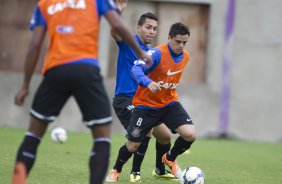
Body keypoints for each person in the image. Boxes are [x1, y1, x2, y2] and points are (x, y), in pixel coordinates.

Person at [11, 1, 151, 184]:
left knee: (33, 134)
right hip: (86, 70)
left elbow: (34, 45)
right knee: (102, 138)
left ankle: (18, 180)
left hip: (55, 71)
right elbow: (116, 25)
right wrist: (140, 52)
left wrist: (25, 85)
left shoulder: (45, 4)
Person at [107, 22, 196, 180]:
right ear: (169, 38)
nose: (181, 46)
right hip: (145, 106)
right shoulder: (157, 53)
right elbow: (135, 69)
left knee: (190, 134)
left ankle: (169, 159)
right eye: (178, 42)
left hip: (169, 103)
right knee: (133, 145)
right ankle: (116, 169)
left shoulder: (186, 56)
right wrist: (148, 82)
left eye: (184, 42)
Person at [106, 0, 175, 182]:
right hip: (125, 99)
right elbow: (114, 31)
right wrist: (117, 12)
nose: (152, 31)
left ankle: (159, 170)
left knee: (166, 136)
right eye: (148, 27)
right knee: (143, 132)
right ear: (138, 28)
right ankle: (120, 171)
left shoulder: (152, 54)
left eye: (154, 28)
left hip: (144, 102)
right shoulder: (129, 42)